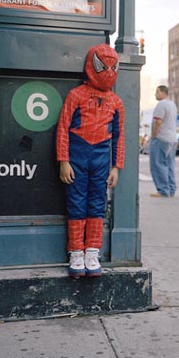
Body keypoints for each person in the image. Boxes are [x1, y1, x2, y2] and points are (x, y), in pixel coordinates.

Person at [57, 43, 124, 278]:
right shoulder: (75, 95)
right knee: (76, 203)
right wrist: (63, 160)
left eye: (112, 67)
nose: (107, 72)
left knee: (97, 204)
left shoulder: (116, 102)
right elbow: (63, 128)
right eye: (102, 66)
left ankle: (92, 252)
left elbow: (119, 135)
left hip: (101, 161)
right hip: (77, 159)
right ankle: (76, 252)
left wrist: (116, 166)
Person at [149, 85, 178, 198]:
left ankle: (163, 190)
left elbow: (158, 122)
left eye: (157, 92)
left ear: (162, 93)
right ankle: (171, 189)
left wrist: (154, 135)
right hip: (172, 139)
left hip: (161, 138)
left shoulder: (161, 105)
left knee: (158, 164)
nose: (155, 94)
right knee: (169, 165)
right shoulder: (172, 105)